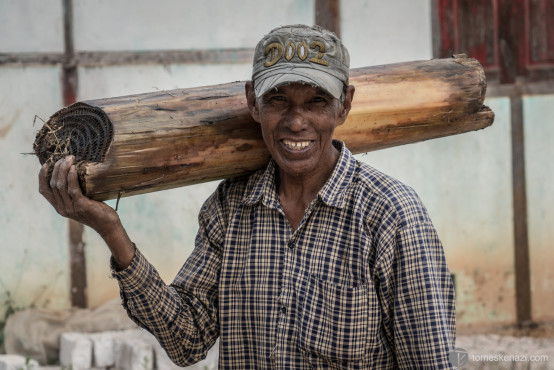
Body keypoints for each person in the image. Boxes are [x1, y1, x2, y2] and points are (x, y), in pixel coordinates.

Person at [39, 24, 456, 369]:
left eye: (316, 101)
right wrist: (112, 230)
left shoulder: (391, 216)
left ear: (344, 106)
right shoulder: (230, 209)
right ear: (252, 103)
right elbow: (187, 340)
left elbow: (430, 361)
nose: (296, 122)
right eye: (278, 100)